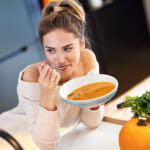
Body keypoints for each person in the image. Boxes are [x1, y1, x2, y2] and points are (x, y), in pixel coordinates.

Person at [17, 0, 104, 150]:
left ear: (82, 44)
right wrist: (47, 95)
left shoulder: (87, 61)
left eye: (68, 48)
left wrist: (96, 95)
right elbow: (46, 145)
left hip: (72, 138)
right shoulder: (32, 77)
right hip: (20, 139)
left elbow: (92, 122)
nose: (60, 60)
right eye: (51, 50)